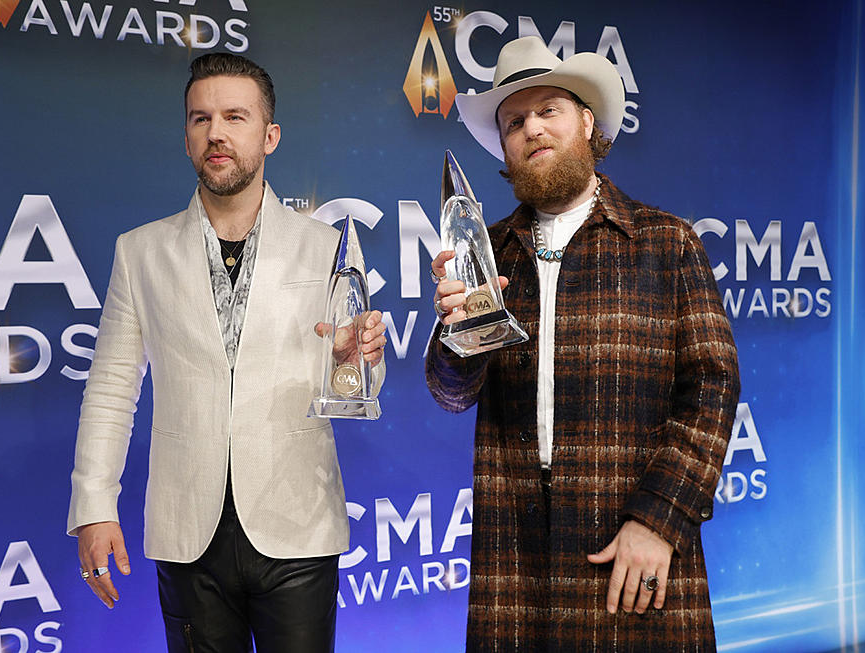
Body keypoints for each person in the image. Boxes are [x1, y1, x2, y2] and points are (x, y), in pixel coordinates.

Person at [426, 36, 740, 651]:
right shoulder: (483, 254)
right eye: (515, 121)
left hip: (628, 542)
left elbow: (712, 391)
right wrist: (457, 335)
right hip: (514, 555)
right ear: (505, 147)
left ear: (587, 123)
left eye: (549, 111)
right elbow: (448, 392)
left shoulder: (666, 243)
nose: (532, 129)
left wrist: (659, 519)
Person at [67, 52, 387, 653]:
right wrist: (93, 504)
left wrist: (355, 358)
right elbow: (111, 387)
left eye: (235, 117)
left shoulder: (329, 246)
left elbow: (359, 373)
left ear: (269, 136)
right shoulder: (140, 253)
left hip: (298, 523)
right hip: (188, 528)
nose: (216, 132)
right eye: (200, 119)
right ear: (186, 138)